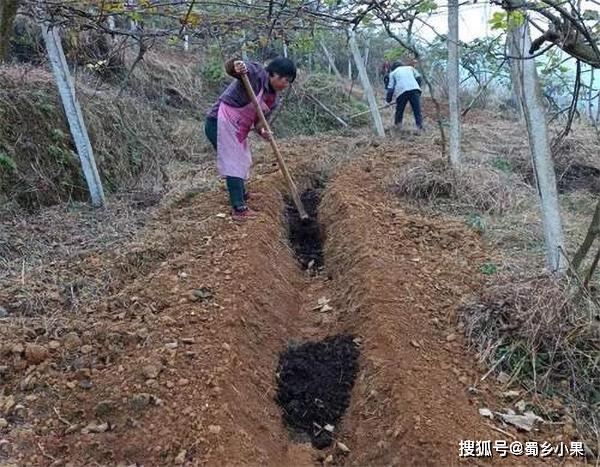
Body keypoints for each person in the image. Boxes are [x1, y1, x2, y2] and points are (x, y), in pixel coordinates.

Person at [205, 57, 296, 220]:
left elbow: (260, 123)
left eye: (288, 82)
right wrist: (237, 66)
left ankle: (241, 193)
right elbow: (233, 67)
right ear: (273, 74)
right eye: (284, 79)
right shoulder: (256, 73)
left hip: (238, 129)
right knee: (233, 162)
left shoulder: (272, 99)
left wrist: (263, 132)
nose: (285, 84)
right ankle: (239, 209)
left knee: (243, 160)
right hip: (219, 122)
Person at [385, 60, 424, 133]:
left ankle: (397, 127)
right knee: (417, 110)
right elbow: (418, 78)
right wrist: (417, 87)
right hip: (415, 90)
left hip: (402, 91)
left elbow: (390, 88)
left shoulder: (393, 73)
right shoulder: (410, 68)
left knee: (399, 110)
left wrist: (388, 100)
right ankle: (420, 127)